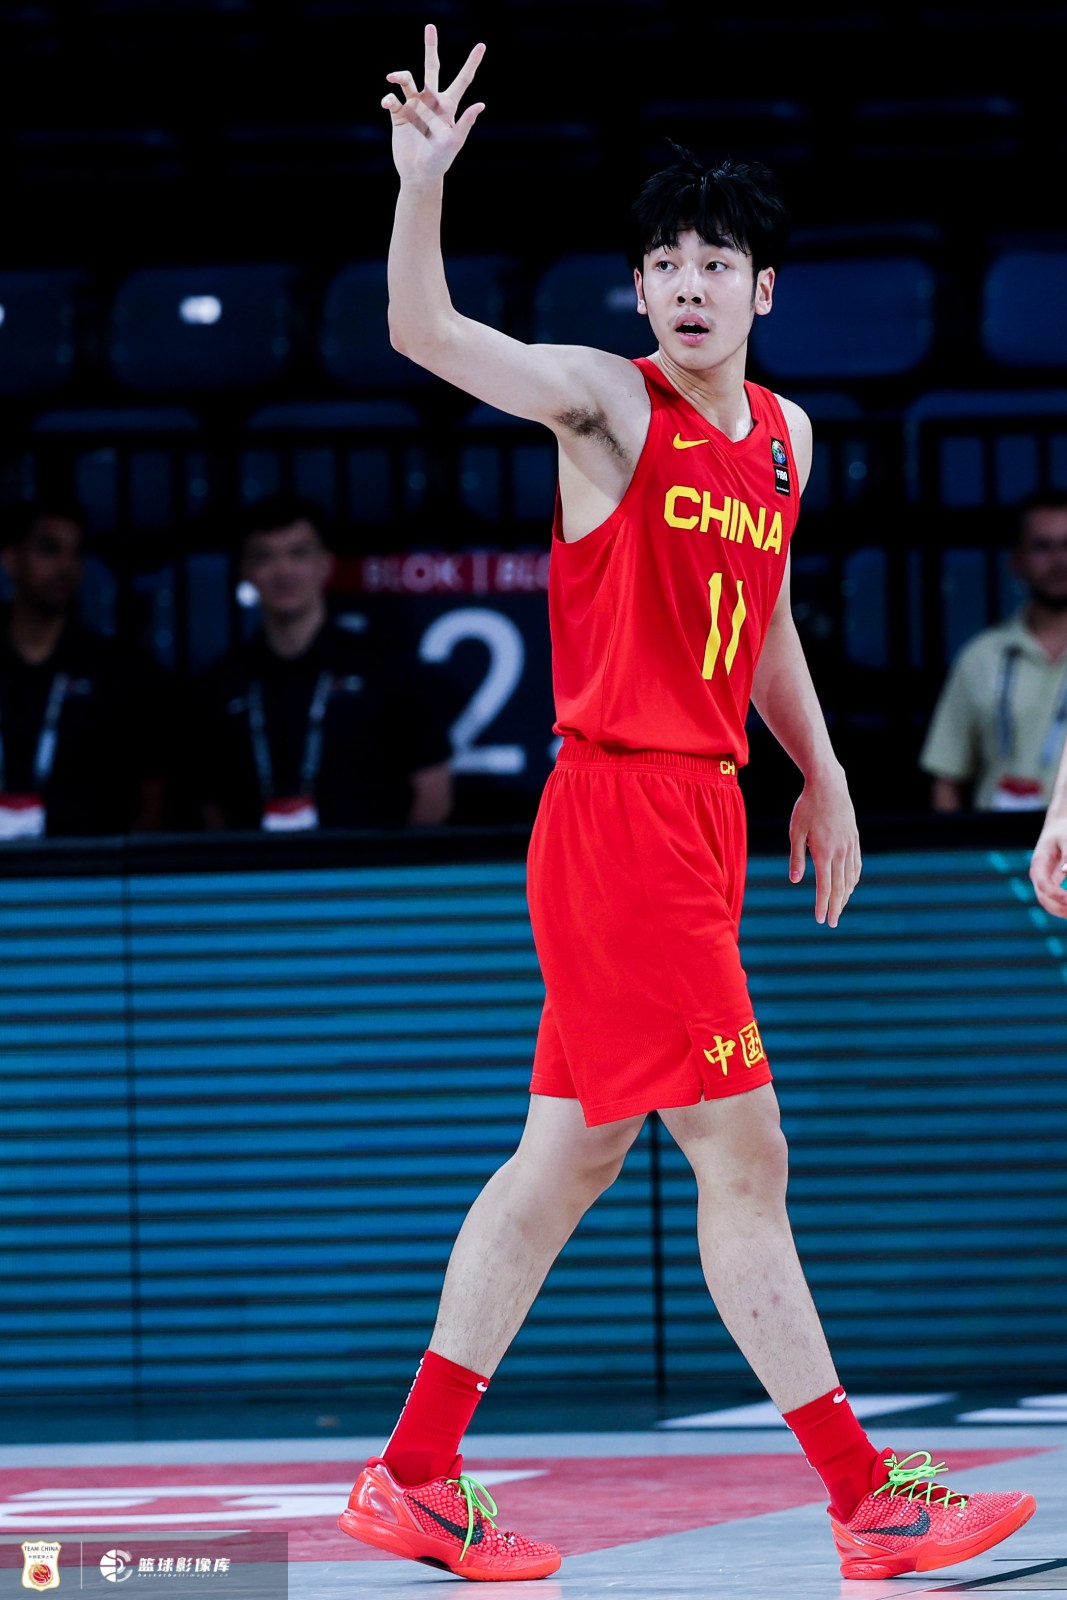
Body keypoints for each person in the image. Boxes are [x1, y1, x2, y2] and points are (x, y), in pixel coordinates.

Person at [335, 24, 1037, 1585]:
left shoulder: (784, 439)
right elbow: (420, 329)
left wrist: (820, 770)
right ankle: (865, 1498)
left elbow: (761, 611)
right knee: (742, 1154)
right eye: (663, 264)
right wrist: (421, 184)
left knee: (565, 1162)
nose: (688, 284)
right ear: (640, 292)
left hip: (697, 818)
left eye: (715, 262)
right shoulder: (604, 405)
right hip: (615, 820)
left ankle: (412, 1474)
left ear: (761, 290)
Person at [192, 493, 454, 832]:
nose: (283, 571)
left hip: (364, 863)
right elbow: (210, 803)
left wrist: (391, 864)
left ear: (325, 565)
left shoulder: (385, 670)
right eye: (265, 556)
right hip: (255, 864)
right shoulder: (220, 683)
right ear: (246, 572)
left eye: (298, 553)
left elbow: (433, 793)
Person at [0, 498, 167, 838]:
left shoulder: (116, 669)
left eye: (75, 553)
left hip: (88, 863)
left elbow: (152, 790)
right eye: (49, 549)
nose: (65, 566)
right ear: (11, 559)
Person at [919, 492, 1067, 813]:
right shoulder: (980, 657)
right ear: (1016, 560)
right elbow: (946, 777)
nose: (1059, 560)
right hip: (997, 839)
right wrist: (958, 844)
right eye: (1042, 546)